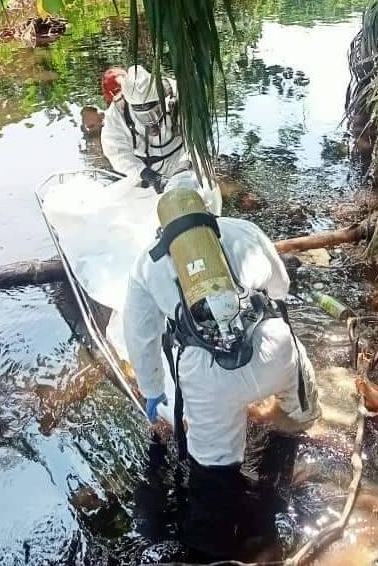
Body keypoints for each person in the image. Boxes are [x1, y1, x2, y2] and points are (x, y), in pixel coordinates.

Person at [121, 180, 320, 560]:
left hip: (207, 375)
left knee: (213, 474)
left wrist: (152, 389)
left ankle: (208, 551)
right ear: (208, 209)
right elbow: (281, 287)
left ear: (163, 224)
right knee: (299, 412)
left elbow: (141, 336)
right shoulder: (243, 230)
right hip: (272, 350)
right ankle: (275, 498)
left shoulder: (146, 263)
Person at [101, 65, 188, 192]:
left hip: (182, 160)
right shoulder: (117, 112)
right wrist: (148, 175)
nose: (150, 120)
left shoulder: (178, 95)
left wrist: (185, 165)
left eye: (153, 110)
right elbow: (116, 152)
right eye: (142, 113)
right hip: (144, 171)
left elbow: (198, 137)